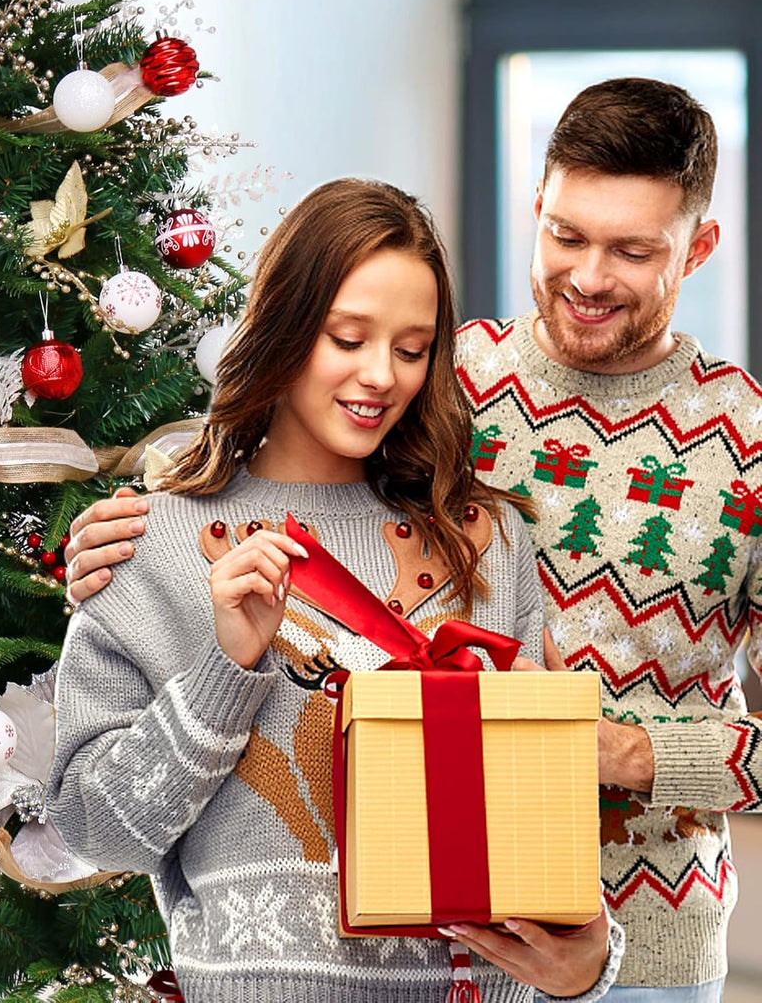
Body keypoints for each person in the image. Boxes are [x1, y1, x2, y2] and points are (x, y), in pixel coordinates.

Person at [66, 78, 762, 1000]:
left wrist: (621, 752)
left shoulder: (748, 440)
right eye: (567, 235)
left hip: (643, 945)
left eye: (633, 251)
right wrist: (142, 514)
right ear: (537, 207)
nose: (591, 278)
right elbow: (290, 431)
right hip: (415, 941)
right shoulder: (442, 372)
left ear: (700, 247)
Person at [47, 178, 622, 1002]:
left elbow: (534, 848)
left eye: (412, 350)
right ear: (283, 327)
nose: (380, 375)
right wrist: (224, 673)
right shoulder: (152, 545)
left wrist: (588, 968)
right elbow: (94, 832)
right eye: (346, 338)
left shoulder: (485, 543)